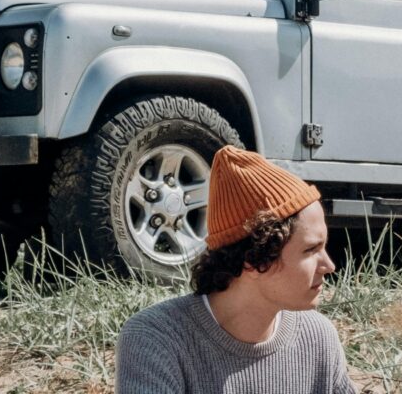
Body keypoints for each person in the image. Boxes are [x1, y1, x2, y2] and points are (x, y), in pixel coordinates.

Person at [115, 145, 355, 394]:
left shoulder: (317, 337)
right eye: (310, 250)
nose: (329, 266)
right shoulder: (157, 338)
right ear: (254, 259)